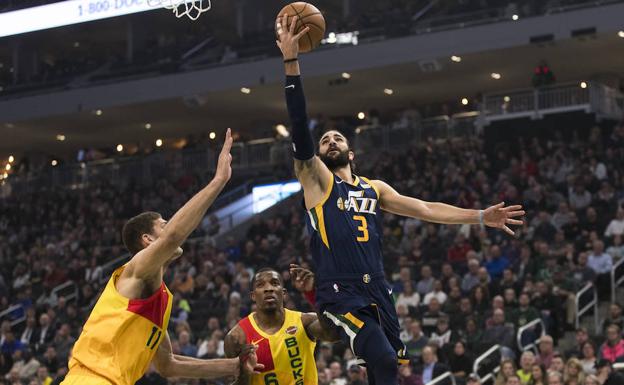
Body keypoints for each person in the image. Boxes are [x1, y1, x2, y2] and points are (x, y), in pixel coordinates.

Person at [275, 14, 524, 385]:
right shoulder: (316, 180)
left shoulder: (374, 188)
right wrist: (291, 63)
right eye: (325, 140)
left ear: (351, 152)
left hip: (376, 285)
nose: (330, 142)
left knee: (386, 367)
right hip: (341, 289)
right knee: (385, 359)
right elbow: (299, 126)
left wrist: (480, 215)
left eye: (337, 138)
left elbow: (426, 209)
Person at [61, 131, 262, 385]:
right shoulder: (136, 268)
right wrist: (218, 181)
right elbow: (172, 238)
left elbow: (168, 365)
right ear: (147, 240)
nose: (170, 230)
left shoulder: (158, 295)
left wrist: (234, 365)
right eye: (164, 224)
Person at [224, 268, 337, 385]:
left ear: (283, 293)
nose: (268, 288)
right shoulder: (236, 337)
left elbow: (333, 334)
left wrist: (313, 294)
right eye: (260, 285)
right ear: (253, 296)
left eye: (274, 283)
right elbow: (232, 382)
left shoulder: (304, 321)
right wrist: (244, 373)